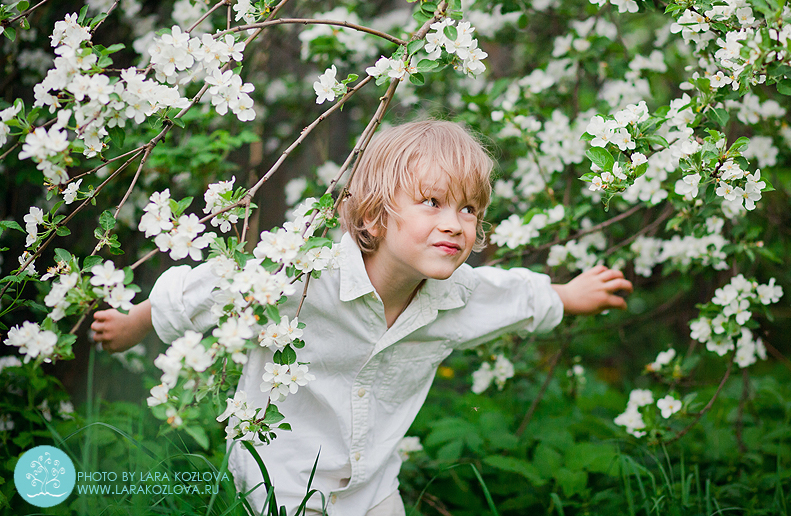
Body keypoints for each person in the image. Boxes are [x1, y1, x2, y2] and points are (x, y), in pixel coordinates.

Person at [91, 119, 633, 516]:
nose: (455, 224)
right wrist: (135, 324)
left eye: (469, 209)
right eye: (432, 202)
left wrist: (565, 294)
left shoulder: (455, 297)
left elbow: (508, 295)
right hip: (281, 479)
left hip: (373, 489)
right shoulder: (304, 275)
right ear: (375, 212)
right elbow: (207, 289)